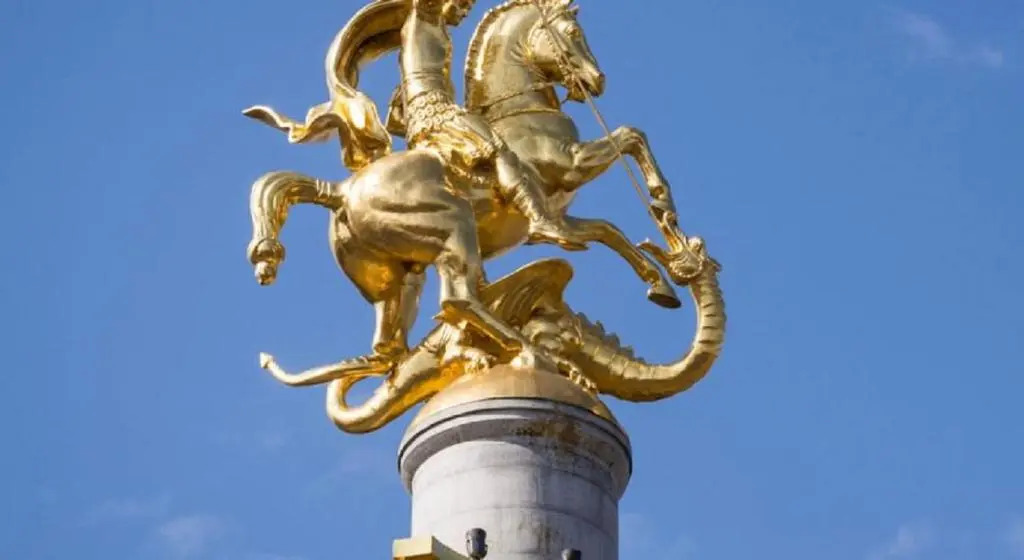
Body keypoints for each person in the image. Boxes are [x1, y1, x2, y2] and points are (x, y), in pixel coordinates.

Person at [393, 0, 585, 251]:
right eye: (461, 4)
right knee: (499, 148)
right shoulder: (423, 17)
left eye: (466, 8)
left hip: (430, 111)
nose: (463, 12)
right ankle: (537, 219)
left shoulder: (434, 27)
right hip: (435, 112)